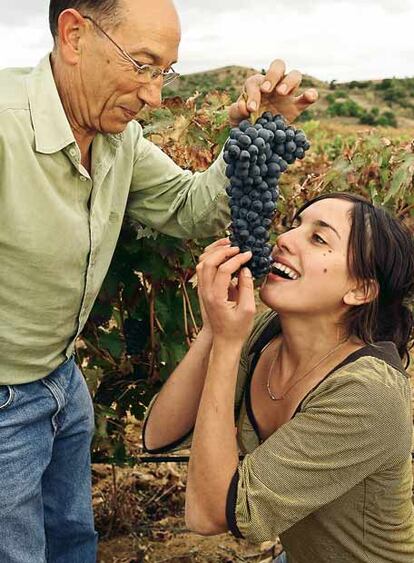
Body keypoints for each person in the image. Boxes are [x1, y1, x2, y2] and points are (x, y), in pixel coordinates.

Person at [0, 0, 318, 561]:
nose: (153, 95)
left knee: (73, 540)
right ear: (74, 35)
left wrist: (254, 141)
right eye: (141, 65)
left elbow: (187, 206)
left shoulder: (117, 138)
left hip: (62, 381)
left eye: (164, 72)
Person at [143, 192, 414, 563]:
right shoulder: (268, 333)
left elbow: (208, 515)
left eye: (318, 238)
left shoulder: (368, 395)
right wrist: (213, 327)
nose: (284, 239)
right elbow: (158, 435)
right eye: (294, 225)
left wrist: (226, 344)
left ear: (360, 289)